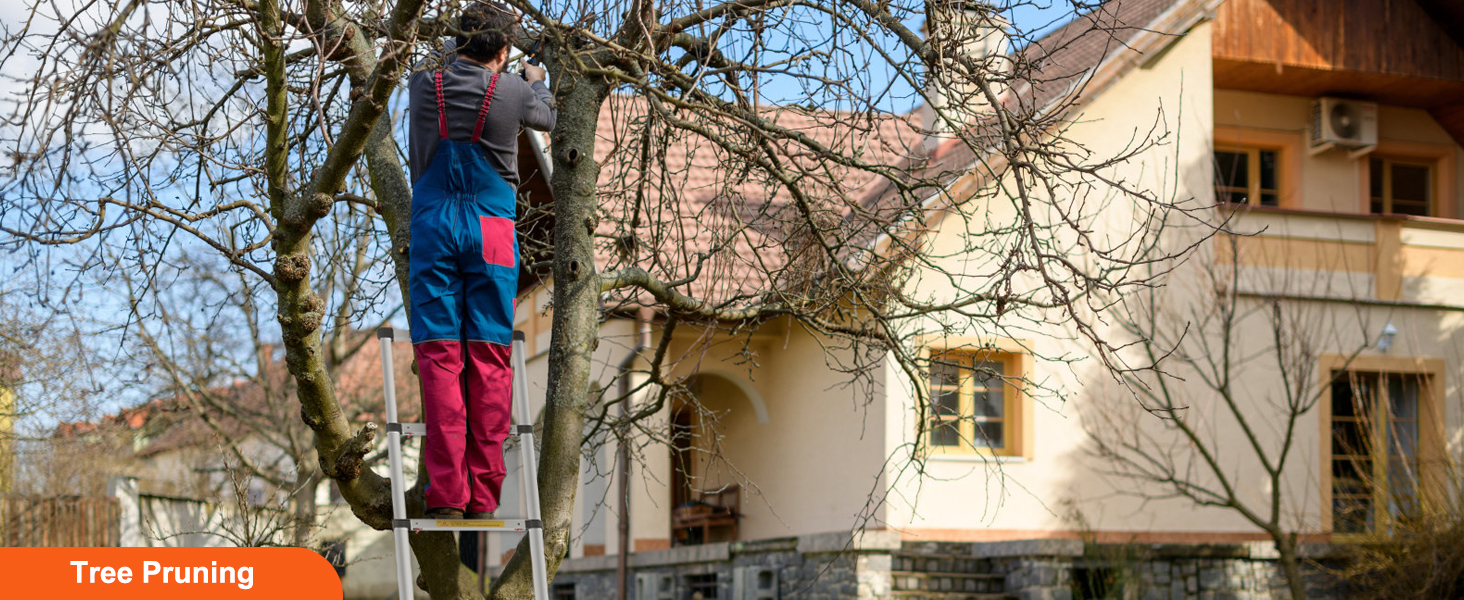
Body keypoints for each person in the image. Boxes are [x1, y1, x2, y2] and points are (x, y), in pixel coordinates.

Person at [406, 0, 555, 520]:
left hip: (433, 228)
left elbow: (441, 62)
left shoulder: (422, 84)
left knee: (440, 357)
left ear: (458, 41)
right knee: (489, 359)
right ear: (505, 50)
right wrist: (536, 80)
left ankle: (448, 495)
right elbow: (547, 117)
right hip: (491, 230)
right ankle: (485, 497)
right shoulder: (513, 91)